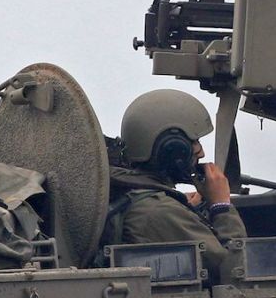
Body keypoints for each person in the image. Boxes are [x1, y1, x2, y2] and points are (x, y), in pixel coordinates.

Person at [104, 89, 246, 285]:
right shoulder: (159, 211)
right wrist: (221, 207)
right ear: (172, 148)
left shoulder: (137, 196)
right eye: (194, 142)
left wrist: (184, 208)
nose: (202, 152)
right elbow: (231, 272)